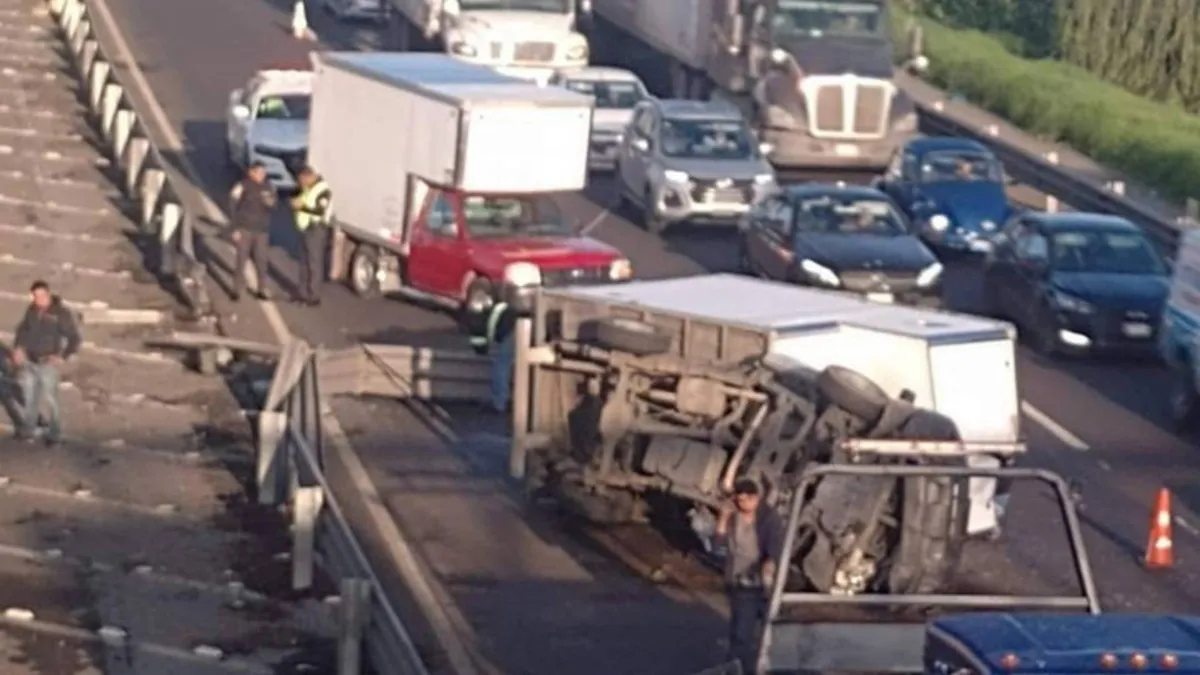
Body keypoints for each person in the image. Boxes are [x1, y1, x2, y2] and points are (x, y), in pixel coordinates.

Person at [714, 477, 786, 675]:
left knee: (768, 631)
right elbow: (718, 548)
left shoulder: (769, 518)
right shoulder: (732, 517)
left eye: (748, 500)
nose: (744, 504)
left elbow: (776, 547)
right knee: (741, 631)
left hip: (762, 582)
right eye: (740, 500)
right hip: (739, 583)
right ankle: (737, 667)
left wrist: (770, 564)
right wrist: (722, 518)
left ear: (756, 498)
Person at [10, 280, 81, 446]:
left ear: (48, 294)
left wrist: (63, 356)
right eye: (36, 296)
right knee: (29, 396)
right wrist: (18, 347)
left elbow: (74, 338)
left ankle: (54, 433)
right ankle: (29, 430)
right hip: (30, 360)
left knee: (50, 399)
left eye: (42, 295)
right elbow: (22, 329)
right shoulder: (32, 310)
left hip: (48, 361)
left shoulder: (61, 314)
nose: (39, 299)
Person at [228, 161, 277, 302]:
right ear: (251, 172)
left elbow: (274, 206)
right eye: (259, 172)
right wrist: (234, 228)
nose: (262, 175)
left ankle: (262, 289)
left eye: (264, 172)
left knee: (261, 262)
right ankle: (236, 289)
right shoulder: (242, 186)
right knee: (241, 261)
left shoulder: (269, 187)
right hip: (244, 229)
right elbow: (232, 205)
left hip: (261, 231)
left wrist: (270, 202)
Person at [289, 166, 333, 306]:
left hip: (316, 229)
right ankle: (302, 293)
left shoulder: (323, 190)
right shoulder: (308, 187)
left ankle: (314, 296)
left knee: (314, 263)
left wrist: (300, 207)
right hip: (305, 228)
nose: (301, 183)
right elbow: (296, 194)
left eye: (302, 180)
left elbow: (319, 211)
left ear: (308, 177)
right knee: (303, 263)